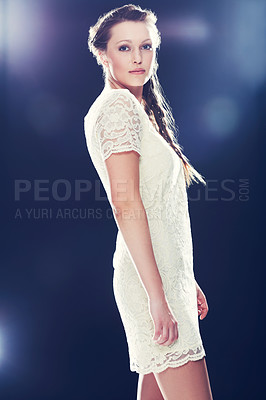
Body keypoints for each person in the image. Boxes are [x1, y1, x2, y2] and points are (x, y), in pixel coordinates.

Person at [84, 4, 213, 399]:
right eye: (124, 48)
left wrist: (183, 277)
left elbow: (161, 210)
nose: (138, 58)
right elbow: (127, 205)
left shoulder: (137, 109)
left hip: (162, 275)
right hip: (149, 284)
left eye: (146, 46)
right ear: (103, 54)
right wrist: (158, 297)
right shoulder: (118, 108)